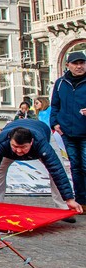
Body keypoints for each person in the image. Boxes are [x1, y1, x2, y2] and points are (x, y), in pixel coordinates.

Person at [0, 118, 82, 222]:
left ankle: (64, 207)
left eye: (23, 147)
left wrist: (69, 199)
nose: (19, 150)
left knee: (55, 170)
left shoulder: (41, 144)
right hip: (8, 149)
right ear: (10, 140)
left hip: (42, 131)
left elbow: (57, 170)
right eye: (15, 146)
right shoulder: (1, 143)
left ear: (31, 142)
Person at [50, 50, 86, 209]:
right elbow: (55, 105)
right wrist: (54, 124)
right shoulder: (60, 83)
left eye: (82, 63)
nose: (79, 66)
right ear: (68, 65)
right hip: (67, 132)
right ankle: (82, 201)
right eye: (76, 63)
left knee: (85, 166)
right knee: (75, 166)